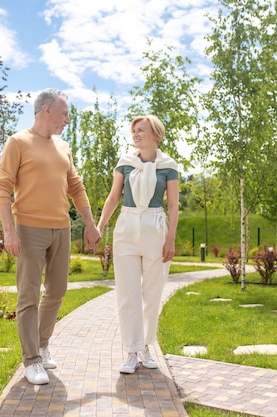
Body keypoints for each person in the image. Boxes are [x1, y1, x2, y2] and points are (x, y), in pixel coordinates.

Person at [0, 88, 101, 385]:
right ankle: (31, 360)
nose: (67, 120)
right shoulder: (17, 143)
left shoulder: (63, 146)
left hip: (61, 228)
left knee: (57, 291)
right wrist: (9, 230)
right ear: (47, 111)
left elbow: (76, 187)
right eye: (65, 113)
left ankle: (42, 345)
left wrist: (90, 224)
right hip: (29, 228)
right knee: (28, 295)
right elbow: (2, 188)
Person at [97, 115, 179, 374]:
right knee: (127, 293)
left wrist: (171, 239)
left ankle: (146, 346)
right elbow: (113, 199)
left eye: (140, 130)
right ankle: (131, 351)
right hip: (127, 228)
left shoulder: (168, 166)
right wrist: (99, 227)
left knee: (152, 293)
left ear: (155, 134)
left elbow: (174, 206)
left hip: (155, 227)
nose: (135, 134)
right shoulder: (125, 164)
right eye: (133, 130)